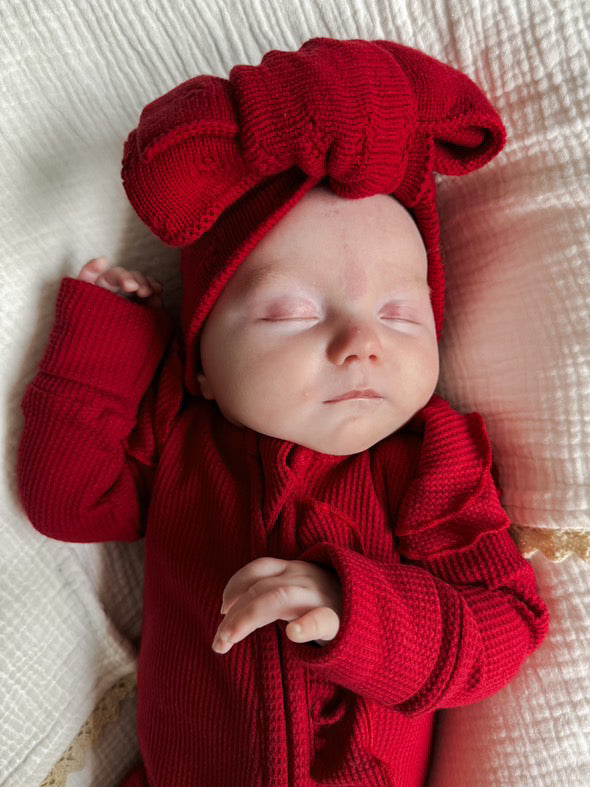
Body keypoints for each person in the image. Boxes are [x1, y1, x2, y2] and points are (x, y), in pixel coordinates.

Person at [17, 38, 550, 787]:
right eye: (293, 312)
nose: (361, 343)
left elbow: (503, 625)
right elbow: (67, 500)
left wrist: (356, 609)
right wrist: (111, 337)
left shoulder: (429, 457)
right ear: (202, 360)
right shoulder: (181, 434)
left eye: (401, 313)